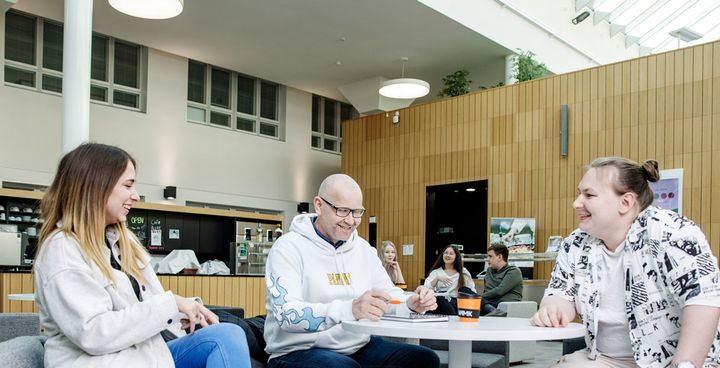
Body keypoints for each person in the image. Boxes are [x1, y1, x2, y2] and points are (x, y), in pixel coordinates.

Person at [33, 143, 251, 368]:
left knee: (227, 335)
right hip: (101, 362)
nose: (135, 196)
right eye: (128, 185)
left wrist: (184, 311)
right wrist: (172, 305)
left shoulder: (124, 241)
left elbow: (150, 308)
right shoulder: (62, 249)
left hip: (144, 355)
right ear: (95, 186)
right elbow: (94, 333)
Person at [530, 157, 720, 368]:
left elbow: (704, 300)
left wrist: (685, 364)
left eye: (589, 195)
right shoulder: (574, 243)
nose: (577, 203)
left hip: (674, 361)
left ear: (626, 202)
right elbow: (559, 293)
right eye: (579, 193)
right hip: (604, 359)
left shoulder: (672, 231)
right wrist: (553, 309)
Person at [263, 173, 440, 368]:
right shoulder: (287, 248)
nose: (351, 221)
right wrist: (350, 309)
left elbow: (387, 296)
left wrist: (410, 303)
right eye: (343, 210)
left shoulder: (363, 249)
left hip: (358, 346)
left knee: (424, 359)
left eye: (357, 212)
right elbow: (287, 315)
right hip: (298, 350)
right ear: (319, 205)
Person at [423, 244, 477, 315]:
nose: (447, 255)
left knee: (465, 290)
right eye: (446, 253)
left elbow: (472, 290)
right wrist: (437, 279)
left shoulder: (463, 272)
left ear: (456, 257)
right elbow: (425, 288)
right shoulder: (436, 272)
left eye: (451, 254)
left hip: (458, 303)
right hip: (442, 303)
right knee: (440, 298)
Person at [480, 242, 523, 316]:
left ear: (500, 257)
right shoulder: (489, 271)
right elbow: (487, 290)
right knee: (464, 291)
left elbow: (499, 291)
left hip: (505, 303)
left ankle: (493, 310)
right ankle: (493, 311)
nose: (487, 259)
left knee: (475, 300)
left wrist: (478, 297)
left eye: (490, 256)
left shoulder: (513, 271)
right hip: (489, 302)